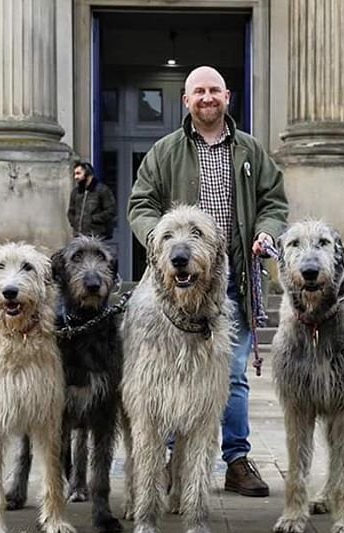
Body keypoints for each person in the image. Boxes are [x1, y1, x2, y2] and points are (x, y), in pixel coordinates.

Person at [127, 66, 288, 497]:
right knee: (170, 378)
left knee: (232, 376)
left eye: (214, 90)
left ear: (227, 97)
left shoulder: (251, 150)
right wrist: (158, 240)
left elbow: (274, 200)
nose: (207, 97)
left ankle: (236, 460)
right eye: (198, 91)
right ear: (186, 100)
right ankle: (168, 462)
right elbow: (140, 204)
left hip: (231, 288)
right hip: (174, 293)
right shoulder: (164, 151)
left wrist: (267, 230)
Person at [67, 161, 117, 240]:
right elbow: (71, 212)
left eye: (78, 173)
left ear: (88, 174)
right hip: (78, 236)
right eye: (75, 174)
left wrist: (93, 219)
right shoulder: (76, 192)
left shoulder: (102, 190)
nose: (75, 177)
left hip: (96, 236)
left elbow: (111, 211)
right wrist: (75, 223)